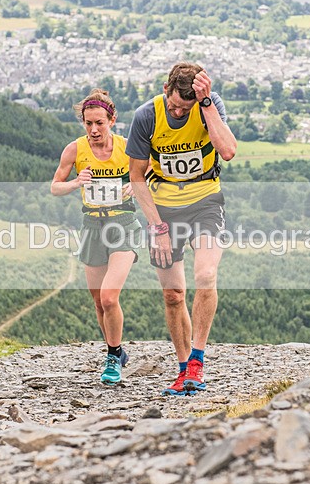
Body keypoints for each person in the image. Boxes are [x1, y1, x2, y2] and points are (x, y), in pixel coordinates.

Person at [127, 62, 237, 396]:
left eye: (184, 107)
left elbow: (228, 151)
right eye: (174, 104)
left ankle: (198, 361)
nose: (178, 111)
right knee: (173, 295)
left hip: (205, 201)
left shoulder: (208, 105)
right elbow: (136, 177)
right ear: (165, 89)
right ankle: (182, 367)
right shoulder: (147, 116)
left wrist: (203, 106)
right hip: (164, 209)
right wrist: (156, 225)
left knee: (206, 276)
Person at [51, 89, 140, 385]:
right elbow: (55, 187)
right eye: (88, 123)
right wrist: (77, 182)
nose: (93, 130)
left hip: (123, 224)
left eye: (99, 123)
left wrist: (136, 185)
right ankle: (115, 349)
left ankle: (113, 357)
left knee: (109, 296)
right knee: (98, 302)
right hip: (92, 226)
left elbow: (152, 171)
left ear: (112, 120)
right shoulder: (75, 150)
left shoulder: (128, 148)